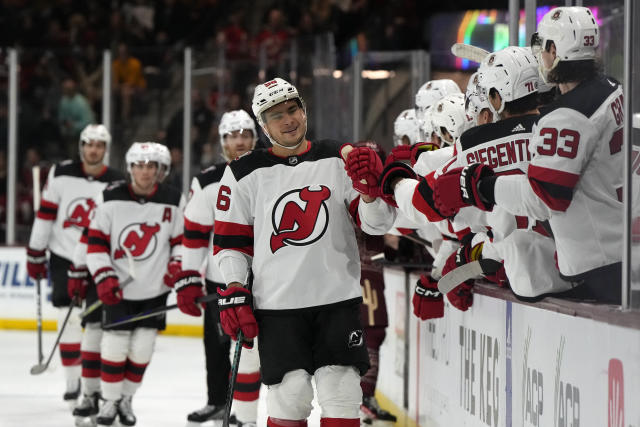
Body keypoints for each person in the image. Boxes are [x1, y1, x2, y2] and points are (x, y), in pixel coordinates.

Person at [177, 77, 396, 426]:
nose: (288, 120)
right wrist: (234, 288)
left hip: (337, 302)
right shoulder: (243, 172)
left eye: (293, 109)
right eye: (276, 115)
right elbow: (230, 243)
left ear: (304, 110)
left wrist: (371, 194)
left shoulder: (339, 157)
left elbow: (376, 225)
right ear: (263, 125)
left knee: (343, 396)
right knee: (289, 398)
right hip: (278, 309)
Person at [432, 7, 623, 304]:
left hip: (597, 262)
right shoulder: (613, 89)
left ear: (553, 49)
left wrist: (480, 186)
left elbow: (544, 195)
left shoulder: (565, 117)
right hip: (620, 243)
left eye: (541, 46)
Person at [69, 142, 168, 425]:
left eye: (153, 166)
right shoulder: (110, 196)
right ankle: (90, 394)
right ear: (130, 167)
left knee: (132, 347)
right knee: (94, 339)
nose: (148, 172)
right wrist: (78, 271)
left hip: (139, 284)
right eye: (141, 165)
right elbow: (91, 238)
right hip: (100, 276)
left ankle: (118, 398)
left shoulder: (166, 201)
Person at [26, 124, 123, 408]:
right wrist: (35, 251)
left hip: (96, 257)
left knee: (94, 322)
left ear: (105, 150)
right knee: (67, 320)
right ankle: (72, 380)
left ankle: (92, 381)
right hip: (63, 255)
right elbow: (44, 216)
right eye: (89, 144)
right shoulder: (61, 174)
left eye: (99, 145)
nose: (93, 150)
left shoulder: (116, 180)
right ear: (82, 146)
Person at [175, 110, 261, 426]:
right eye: (231, 135)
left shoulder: (270, 168)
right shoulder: (207, 180)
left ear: (255, 136)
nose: (239, 141)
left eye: (245, 134)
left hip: (266, 279)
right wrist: (187, 278)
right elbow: (195, 235)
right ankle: (218, 403)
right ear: (222, 141)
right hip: (220, 280)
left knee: (254, 351)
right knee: (217, 346)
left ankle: (248, 413)